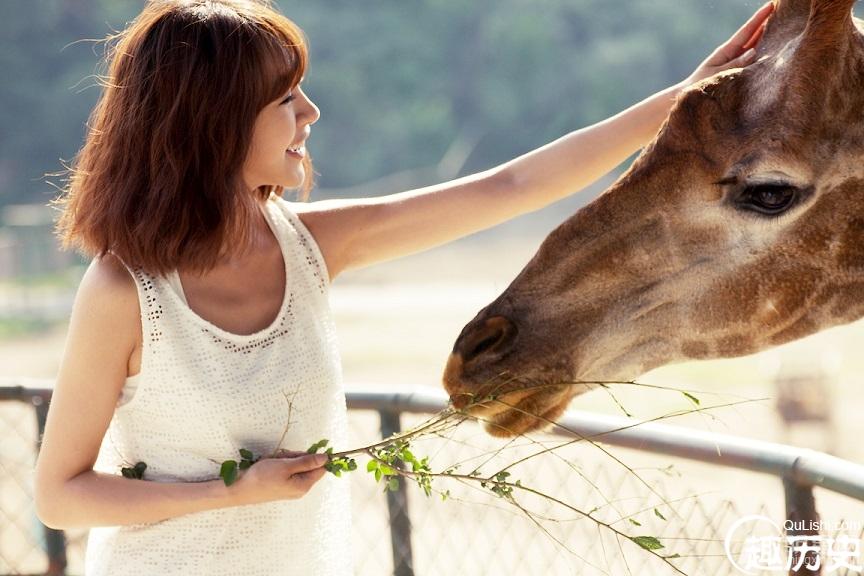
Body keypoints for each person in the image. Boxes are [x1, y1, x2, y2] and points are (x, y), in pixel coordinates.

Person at [32, 1, 775, 574]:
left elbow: (510, 185)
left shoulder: (313, 245)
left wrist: (689, 95)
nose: (311, 114)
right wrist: (233, 493)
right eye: (286, 97)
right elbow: (60, 494)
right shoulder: (125, 292)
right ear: (215, 122)